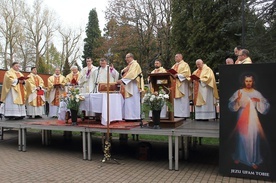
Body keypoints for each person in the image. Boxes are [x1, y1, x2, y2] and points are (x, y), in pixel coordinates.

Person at [228, 75, 269, 169]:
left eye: (250, 81)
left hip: (253, 117)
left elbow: (266, 105)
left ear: (253, 82)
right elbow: (230, 105)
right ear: (244, 81)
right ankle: (240, 156)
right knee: (241, 137)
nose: (248, 83)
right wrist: (237, 100)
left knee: (252, 137)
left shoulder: (257, 93)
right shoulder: (239, 92)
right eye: (247, 81)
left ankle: (252, 160)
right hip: (242, 116)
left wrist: (258, 101)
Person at [117, 53, 144, 120]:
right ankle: (128, 116)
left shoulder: (135, 64)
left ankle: (134, 117)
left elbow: (132, 74)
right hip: (129, 84)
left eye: (127, 57)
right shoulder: (130, 65)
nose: (126, 59)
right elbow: (123, 71)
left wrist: (122, 80)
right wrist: (123, 71)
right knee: (128, 101)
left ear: (131, 57)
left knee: (133, 100)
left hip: (133, 85)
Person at [171, 54, 191, 118]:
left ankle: (183, 115)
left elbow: (187, 73)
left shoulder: (185, 64)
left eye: (177, 57)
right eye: (175, 57)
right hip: (174, 84)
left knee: (183, 99)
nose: (175, 58)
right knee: (176, 100)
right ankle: (176, 114)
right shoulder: (174, 66)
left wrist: (178, 75)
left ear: (181, 57)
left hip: (182, 84)